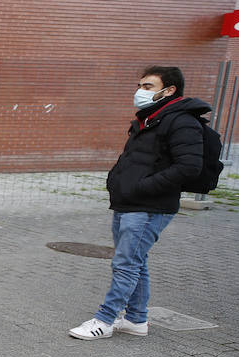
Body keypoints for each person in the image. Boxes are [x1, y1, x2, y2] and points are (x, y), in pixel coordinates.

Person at [69, 66, 210, 340]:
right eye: (140, 85)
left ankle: (105, 320)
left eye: (148, 86)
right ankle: (136, 320)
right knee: (136, 261)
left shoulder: (181, 121)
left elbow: (189, 166)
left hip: (149, 206)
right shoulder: (150, 119)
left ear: (169, 90)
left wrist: (143, 187)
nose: (140, 91)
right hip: (129, 202)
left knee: (125, 263)